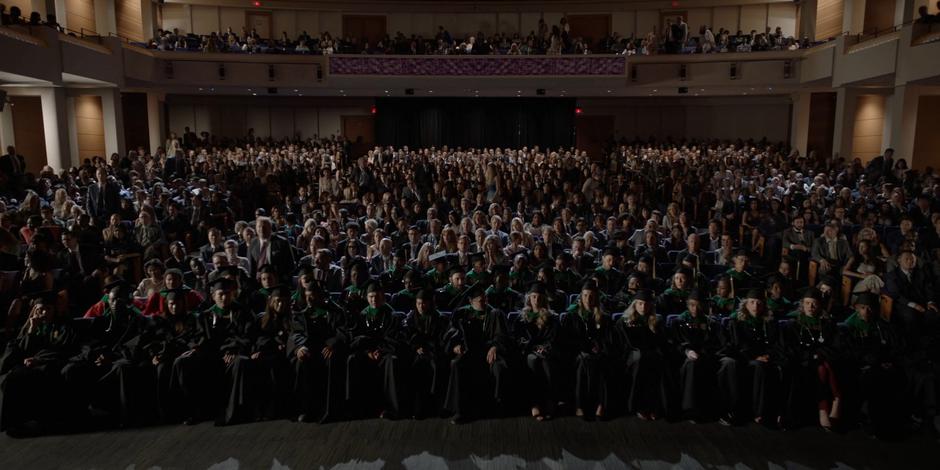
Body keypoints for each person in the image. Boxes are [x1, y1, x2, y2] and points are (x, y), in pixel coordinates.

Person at [0, 292, 76, 436]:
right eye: (40, 309)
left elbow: (64, 349)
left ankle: (36, 422)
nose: (44, 312)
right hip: (29, 365)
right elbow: (20, 350)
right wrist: (31, 331)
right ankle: (16, 423)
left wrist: (39, 360)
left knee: (25, 377)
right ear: (35, 310)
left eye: (48, 308)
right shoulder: (32, 325)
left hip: (51, 364)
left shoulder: (63, 326)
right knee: (12, 376)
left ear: (55, 309)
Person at [444, 284, 513, 424]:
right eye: (480, 301)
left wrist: (495, 346)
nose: (484, 303)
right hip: (469, 352)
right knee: (456, 363)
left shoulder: (495, 313)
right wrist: (456, 345)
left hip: (489, 352)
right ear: (471, 301)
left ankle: (496, 407)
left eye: (485, 299)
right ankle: (459, 410)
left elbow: (502, 335)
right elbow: (452, 333)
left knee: (499, 366)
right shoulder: (461, 314)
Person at [781, 288, 841, 430]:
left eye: (814, 304)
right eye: (807, 303)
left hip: (822, 359)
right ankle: (834, 400)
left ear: (820, 305)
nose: (810, 307)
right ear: (802, 304)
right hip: (802, 360)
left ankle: (826, 408)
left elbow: (834, 346)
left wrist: (818, 354)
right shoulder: (794, 323)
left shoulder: (827, 324)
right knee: (821, 366)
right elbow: (791, 347)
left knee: (824, 364)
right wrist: (811, 355)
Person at [343, 281, 403, 419]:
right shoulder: (362, 315)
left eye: (376, 296)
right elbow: (356, 338)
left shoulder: (391, 314)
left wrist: (380, 351)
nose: (373, 299)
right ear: (366, 297)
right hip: (367, 353)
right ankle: (356, 408)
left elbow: (394, 338)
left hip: (385, 353)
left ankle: (391, 408)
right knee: (352, 359)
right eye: (370, 296)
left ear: (382, 296)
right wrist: (367, 352)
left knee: (392, 361)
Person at [288, 282, 346, 423]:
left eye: (312, 296)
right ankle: (305, 410)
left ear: (320, 296)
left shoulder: (334, 312)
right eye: (307, 296)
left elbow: (342, 332)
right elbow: (295, 334)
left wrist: (332, 345)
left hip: (328, 350)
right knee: (301, 363)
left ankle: (330, 410)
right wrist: (299, 348)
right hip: (309, 351)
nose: (309, 299)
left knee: (332, 360)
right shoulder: (300, 314)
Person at [561, 280, 617, 420]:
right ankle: (580, 405)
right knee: (583, 361)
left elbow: (608, 339)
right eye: (585, 295)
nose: (588, 299)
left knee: (603, 362)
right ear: (581, 296)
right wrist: (585, 347)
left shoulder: (604, 317)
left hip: (600, 353)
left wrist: (599, 348)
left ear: (596, 297)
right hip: (577, 353)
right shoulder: (572, 316)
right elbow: (567, 339)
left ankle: (600, 405)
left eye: (591, 296)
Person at [730, 288, 782, 426]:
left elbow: (776, 343)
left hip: (767, 357)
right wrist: (755, 356)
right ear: (746, 304)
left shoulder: (769, 321)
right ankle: (759, 412)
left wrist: (768, 355)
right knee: (759, 367)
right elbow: (739, 344)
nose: (755, 306)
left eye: (759, 303)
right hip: (746, 358)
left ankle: (778, 412)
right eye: (752, 302)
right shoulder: (738, 321)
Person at [617, 289, 667, 420]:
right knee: (641, 359)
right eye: (639, 303)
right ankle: (638, 406)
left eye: (646, 304)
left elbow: (661, 342)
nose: (643, 307)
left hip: (650, 356)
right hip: (631, 358)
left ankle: (655, 406)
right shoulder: (625, 321)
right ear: (634, 304)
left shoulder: (656, 321)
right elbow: (624, 345)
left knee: (657, 362)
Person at [513, 283, 560, 420]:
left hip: (546, 352)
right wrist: (533, 348)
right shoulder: (522, 318)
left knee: (546, 362)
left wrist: (545, 348)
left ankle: (549, 401)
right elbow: (518, 338)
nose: (536, 300)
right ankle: (535, 403)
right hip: (528, 352)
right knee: (532, 360)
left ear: (544, 299)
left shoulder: (551, 318)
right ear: (529, 298)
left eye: (539, 297)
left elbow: (554, 337)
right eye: (533, 297)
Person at [401, 288, 449, 418]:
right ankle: (418, 409)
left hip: (435, 352)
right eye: (418, 303)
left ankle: (438, 407)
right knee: (415, 368)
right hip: (416, 352)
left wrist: (430, 348)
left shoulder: (439, 318)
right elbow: (407, 337)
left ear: (429, 303)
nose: (420, 306)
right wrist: (416, 347)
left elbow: (442, 338)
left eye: (423, 303)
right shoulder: (410, 318)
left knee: (437, 367)